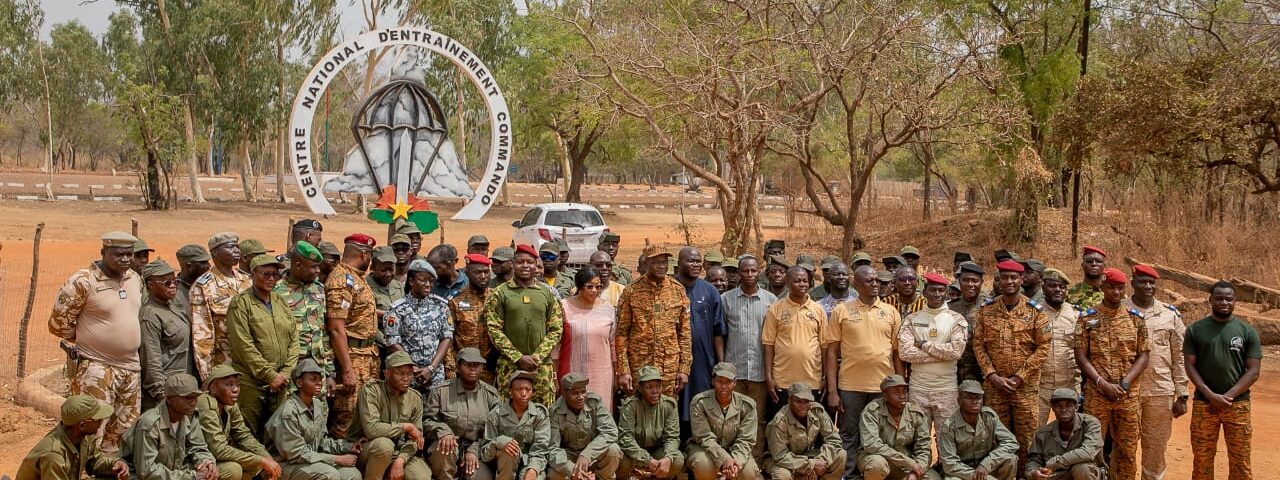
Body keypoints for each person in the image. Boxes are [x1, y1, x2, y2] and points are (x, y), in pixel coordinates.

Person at [48, 231, 145, 453]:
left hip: (130, 369)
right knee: (92, 430)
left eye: (129, 254)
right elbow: (57, 324)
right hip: (97, 368)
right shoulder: (83, 282)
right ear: (103, 252)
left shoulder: (134, 279)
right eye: (119, 254)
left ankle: (108, 471)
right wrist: (88, 336)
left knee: (123, 430)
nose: (125, 260)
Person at [825, 265, 903, 479]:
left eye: (877, 280)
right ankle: (849, 475)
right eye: (869, 281)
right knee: (849, 434)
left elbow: (897, 353)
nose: (875, 284)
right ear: (856, 285)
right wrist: (832, 390)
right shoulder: (842, 311)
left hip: (883, 387)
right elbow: (831, 352)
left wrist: (900, 385)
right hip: (851, 386)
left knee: (881, 436)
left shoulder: (890, 312)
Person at [1073, 267, 1148, 480]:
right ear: (1103, 288)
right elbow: (1080, 355)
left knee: (1127, 449)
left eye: (1119, 288)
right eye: (1111, 287)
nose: (1116, 292)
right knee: (1092, 448)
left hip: (1128, 395)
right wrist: (1101, 383)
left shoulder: (1135, 319)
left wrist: (1124, 384)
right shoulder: (1087, 318)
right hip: (1098, 394)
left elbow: (1143, 355)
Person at [972, 260, 1048, 471]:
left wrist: (1020, 377)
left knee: (1027, 440)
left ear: (1021, 279)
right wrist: (992, 375)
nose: (1009, 281)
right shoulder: (986, 311)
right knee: (996, 439)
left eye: (1014, 277)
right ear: (998, 280)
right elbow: (978, 345)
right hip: (995, 388)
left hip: (1024, 388)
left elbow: (1043, 347)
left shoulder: (1035, 312)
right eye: (1004, 277)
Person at [1184, 281, 1262, 480]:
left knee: (1240, 461)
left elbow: (1253, 371)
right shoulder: (1195, 330)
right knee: (1202, 460)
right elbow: (1190, 366)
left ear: (1235, 301)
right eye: (1219, 298)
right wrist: (1210, 395)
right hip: (1204, 404)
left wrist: (1226, 397)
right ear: (1210, 300)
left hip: (1238, 405)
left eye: (1229, 298)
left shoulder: (1247, 331)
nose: (1224, 302)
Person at [1124, 265, 1187, 480]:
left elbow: (1179, 356)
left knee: (1156, 447)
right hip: (1126, 391)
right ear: (1132, 283)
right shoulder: (1119, 310)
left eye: (1152, 282)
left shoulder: (1169, 315)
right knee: (1124, 446)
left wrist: (1182, 393)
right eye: (1142, 282)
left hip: (1160, 390)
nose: (1148, 286)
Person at [227, 255, 300, 434]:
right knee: (249, 434)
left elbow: (294, 339)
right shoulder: (241, 303)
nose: (271, 279)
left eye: (275, 275)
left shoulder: (280, 301)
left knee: (278, 434)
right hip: (252, 382)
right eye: (266, 274)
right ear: (253, 274)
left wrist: (285, 373)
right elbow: (244, 345)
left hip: (281, 383)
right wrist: (269, 376)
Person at [485, 244, 565, 406]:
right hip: (509, 366)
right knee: (508, 414)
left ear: (536, 265)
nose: (525, 266)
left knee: (542, 414)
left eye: (530, 262)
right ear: (513, 264)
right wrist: (518, 357)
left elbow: (556, 329)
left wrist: (536, 357)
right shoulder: (500, 293)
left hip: (540, 366)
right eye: (520, 262)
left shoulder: (547, 293)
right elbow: (494, 330)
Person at [615, 245, 692, 398]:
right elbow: (622, 333)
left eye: (664, 262)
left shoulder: (678, 290)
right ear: (646, 263)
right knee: (637, 410)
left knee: (667, 410)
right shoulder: (632, 291)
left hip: (668, 366)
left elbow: (684, 333)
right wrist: (624, 370)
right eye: (656, 262)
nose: (661, 266)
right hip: (640, 364)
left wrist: (684, 368)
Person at [264, 359, 361, 480]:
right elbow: (297, 454)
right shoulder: (288, 412)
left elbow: (321, 442)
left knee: (352, 475)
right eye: (313, 379)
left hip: (309, 462)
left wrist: (348, 446)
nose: (319, 382)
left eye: (320, 379)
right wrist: (337, 459)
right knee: (329, 475)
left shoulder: (317, 405)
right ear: (299, 383)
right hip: (285, 465)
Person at [897, 272, 968, 434]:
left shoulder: (956, 319)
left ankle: (944, 461)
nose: (937, 294)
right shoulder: (912, 319)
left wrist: (924, 345)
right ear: (924, 292)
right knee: (918, 438)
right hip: (918, 389)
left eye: (941, 290)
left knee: (947, 437)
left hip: (947, 390)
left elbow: (956, 351)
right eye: (933, 290)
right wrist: (941, 354)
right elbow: (905, 352)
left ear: (947, 292)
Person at [325, 233, 380, 438]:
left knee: (365, 415)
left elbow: (357, 312)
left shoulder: (355, 278)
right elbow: (336, 328)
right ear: (364, 255)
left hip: (366, 355)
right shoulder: (341, 280)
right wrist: (347, 370)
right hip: (352, 357)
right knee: (347, 416)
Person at [720, 254, 775, 460]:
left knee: (757, 420)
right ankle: (730, 462)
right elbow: (720, 334)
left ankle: (754, 462)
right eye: (745, 271)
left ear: (759, 272)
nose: (750, 274)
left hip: (759, 373)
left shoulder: (771, 300)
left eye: (753, 270)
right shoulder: (726, 299)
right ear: (739, 273)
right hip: (733, 372)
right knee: (730, 419)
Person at [348, 351, 430, 480]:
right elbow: (372, 430)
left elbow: (416, 439)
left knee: (421, 477)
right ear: (387, 374)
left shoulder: (415, 398)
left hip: (398, 452)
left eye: (409, 374)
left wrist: (401, 460)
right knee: (384, 445)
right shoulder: (371, 391)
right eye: (401, 374)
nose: (406, 378)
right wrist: (406, 427)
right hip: (366, 450)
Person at [424, 348, 502, 480]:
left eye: (477, 365)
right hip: (446, 449)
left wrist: (474, 450)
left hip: (477, 449)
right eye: (467, 365)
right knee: (446, 448)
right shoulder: (441, 392)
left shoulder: (491, 395)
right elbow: (427, 421)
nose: (473, 369)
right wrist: (444, 432)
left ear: (482, 368)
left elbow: (495, 431)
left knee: (480, 477)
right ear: (458, 367)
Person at [122, 373, 218, 480]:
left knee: (227, 470)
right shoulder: (149, 423)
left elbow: (198, 447)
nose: (193, 403)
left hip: (175, 471)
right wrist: (191, 476)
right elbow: (147, 471)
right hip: (145, 477)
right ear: (169, 399)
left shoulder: (189, 416)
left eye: (195, 397)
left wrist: (207, 462)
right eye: (187, 398)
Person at [674, 246, 727, 432]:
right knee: (676, 403)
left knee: (700, 401)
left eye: (698, 261)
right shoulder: (670, 290)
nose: (695, 265)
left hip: (703, 361)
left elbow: (718, 330)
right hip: (674, 360)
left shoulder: (710, 291)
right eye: (690, 261)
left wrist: (720, 364)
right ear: (679, 263)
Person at [762, 267, 827, 416]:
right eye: (797, 281)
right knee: (779, 426)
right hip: (782, 381)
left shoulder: (818, 310)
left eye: (805, 280)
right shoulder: (775, 309)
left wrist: (825, 377)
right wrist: (769, 377)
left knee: (811, 426)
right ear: (787, 283)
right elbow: (768, 345)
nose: (802, 284)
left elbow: (824, 346)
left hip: (812, 380)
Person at [197, 365, 281, 480]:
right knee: (234, 469)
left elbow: (244, 436)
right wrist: (261, 461)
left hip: (214, 458)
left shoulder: (230, 404)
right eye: (229, 384)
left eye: (237, 384)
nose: (236, 389)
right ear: (213, 388)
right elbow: (219, 450)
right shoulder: (205, 403)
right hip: (199, 462)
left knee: (258, 465)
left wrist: (267, 458)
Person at [16, 395, 129, 480]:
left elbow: (95, 461)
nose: (101, 422)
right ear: (82, 425)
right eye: (98, 419)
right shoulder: (53, 455)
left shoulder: (84, 437)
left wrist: (114, 464)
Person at [384, 259, 454, 389]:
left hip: (435, 375)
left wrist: (431, 368)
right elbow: (392, 342)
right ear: (411, 281)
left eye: (431, 281)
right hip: (407, 375)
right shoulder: (397, 309)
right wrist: (413, 368)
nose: (428, 284)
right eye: (423, 280)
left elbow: (447, 337)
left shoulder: (440, 306)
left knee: (435, 409)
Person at [190, 232, 251, 379]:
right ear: (215, 252)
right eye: (230, 247)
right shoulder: (203, 286)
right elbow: (202, 335)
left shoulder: (247, 280)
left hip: (251, 362)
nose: (237, 250)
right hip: (224, 363)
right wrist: (207, 376)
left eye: (237, 246)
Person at [273, 242, 333, 390]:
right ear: (298, 265)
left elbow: (323, 332)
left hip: (317, 369)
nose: (318, 271)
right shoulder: (276, 291)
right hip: (290, 370)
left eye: (318, 266)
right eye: (313, 267)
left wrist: (330, 372)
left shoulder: (318, 289)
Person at [687, 363, 762, 480]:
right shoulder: (700, 402)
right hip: (705, 448)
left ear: (735, 383)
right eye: (720, 381)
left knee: (748, 473)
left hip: (734, 450)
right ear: (713, 381)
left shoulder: (748, 405)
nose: (724, 386)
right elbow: (704, 437)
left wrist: (735, 462)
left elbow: (746, 440)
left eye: (728, 382)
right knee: (704, 467)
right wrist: (724, 459)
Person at [558, 267, 618, 409]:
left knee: (600, 413)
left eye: (598, 287)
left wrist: (617, 372)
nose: (594, 291)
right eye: (589, 286)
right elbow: (556, 345)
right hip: (572, 370)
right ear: (579, 286)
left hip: (602, 372)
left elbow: (613, 343)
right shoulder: (564, 307)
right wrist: (555, 375)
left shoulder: (608, 309)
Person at [139, 259, 195, 411]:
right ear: (150, 284)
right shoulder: (150, 315)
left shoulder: (173, 307)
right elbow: (151, 361)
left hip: (183, 386)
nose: (172, 285)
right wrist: (163, 397)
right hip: (168, 394)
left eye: (175, 281)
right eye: (166, 282)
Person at [857, 375, 937, 480]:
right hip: (880, 459)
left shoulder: (916, 413)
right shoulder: (872, 411)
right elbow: (871, 444)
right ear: (885, 396)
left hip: (907, 466)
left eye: (904, 391)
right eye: (896, 392)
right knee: (876, 465)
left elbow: (924, 449)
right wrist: (908, 462)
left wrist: (915, 472)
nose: (902, 396)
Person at [936, 381, 1018, 480]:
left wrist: (987, 463)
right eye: (969, 397)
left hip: (986, 466)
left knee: (1011, 460)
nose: (975, 401)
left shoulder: (989, 417)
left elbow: (1011, 442)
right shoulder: (949, 426)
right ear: (959, 401)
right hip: (963, 471)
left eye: (978, 397)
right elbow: (950, 465)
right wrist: (981, 477)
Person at [548, 373, 623, 480]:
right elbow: (553, 448)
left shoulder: (595, 402)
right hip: (569, 456)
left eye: (583, 392)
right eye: (575, 393)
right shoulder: (555, 411)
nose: (581, 397)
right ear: (564, 393)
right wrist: (571, 469)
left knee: (613, 450)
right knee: (553, 474)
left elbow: (610, 432)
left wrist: (587, 454)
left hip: (593, 453)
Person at [481, 371, 553, 480]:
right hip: (503, 466)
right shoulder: (496, 414)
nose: (524, 393)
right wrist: (498, 442)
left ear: (532, 391)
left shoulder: (539, 415)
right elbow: (485, 454)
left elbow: (541, 448)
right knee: (508, 448)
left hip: (529, 462)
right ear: (510, 391)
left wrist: (532, 470)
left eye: (528, 389)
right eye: (519, 389)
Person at [764, 383, 845, 480]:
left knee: (840, 455)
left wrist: (820, 460)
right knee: (782, 475)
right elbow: (780, 456)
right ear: (789, 400)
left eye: (806, 401)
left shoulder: (816, 411)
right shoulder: (779, 421)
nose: (803, 406)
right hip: (783, 461)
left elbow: (833, 439)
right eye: (798, 401)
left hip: (808, 455)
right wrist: (810, 465)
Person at [617, 366, 685, 480]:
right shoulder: (630, 406)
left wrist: (668, 458)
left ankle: (657, 476)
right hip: (635, 453)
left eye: (658, 386)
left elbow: (672, 437)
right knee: (620, 459)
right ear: (640, 388)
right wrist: (647, 460)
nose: (655, 391)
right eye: (649, 387)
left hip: (657, 451)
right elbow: (626, 438)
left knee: (677, 459)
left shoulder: (669, 405)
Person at [1026, 389, 1104, 480]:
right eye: (1059, 406)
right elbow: (1033, 460)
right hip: (1056, 476)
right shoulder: (1043, 433)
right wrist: (1033, 473)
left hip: (1086, 473)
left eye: (1068, 406)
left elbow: (1088, 452)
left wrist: (1056, 462)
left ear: (1076, 407)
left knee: (1082, 468)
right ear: (1052, 408)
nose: (1063, 410)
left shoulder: (1090, 423)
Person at [1038, 268, 1081, 425]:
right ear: (1043, 287)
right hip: (1040, 384)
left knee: (1070, 431)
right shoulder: (1033, 313)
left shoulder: (1076, 315)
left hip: (1069, 383)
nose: (1057, 290)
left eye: (1061, 287)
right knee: (1035, 432)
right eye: (1052, 286)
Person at [449, 254, 497, 383]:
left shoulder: (498, 298)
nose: (483, 276)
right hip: (465, 368)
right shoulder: (456, 301)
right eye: (478, 272)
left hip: (491, 368)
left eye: (486, 272)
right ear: (468, 273)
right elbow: (449, 338)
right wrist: (451, 369)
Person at [949, 262, 986, 382]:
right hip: (954, 369)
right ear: (959, 282)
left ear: (981, 283)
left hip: (981, 370)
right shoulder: (949, 307)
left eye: (975, 281)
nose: (970, 284)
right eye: (966, 280)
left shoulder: (990, 307)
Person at [367, 246, 405, 317]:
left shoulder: (399, 286)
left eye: (391, 270)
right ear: (372, 268)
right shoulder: (365, 287)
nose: (388, 274)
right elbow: (365, 311)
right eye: (383, 270)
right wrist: (389, 315)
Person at [176, 244, 212, 310]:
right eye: (203, 263)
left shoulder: (209, 284)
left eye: (208, 262)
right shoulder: (173, 292)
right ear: (189, 266)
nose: (209, 266)